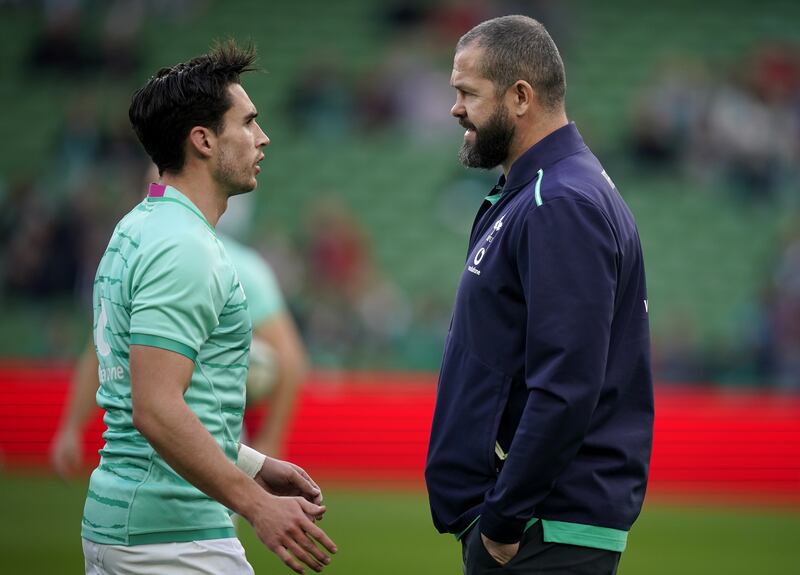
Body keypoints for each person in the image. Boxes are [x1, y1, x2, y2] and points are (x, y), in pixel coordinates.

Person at [76, 41, 336, 575]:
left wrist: (253, 463)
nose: (263, 138)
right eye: (248, 122)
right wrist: (256, 503)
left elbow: (145, 401)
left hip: (132, 528)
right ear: (203, 140)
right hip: (171, 541)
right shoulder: (183, 247)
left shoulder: (141, 226)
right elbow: (154, 407)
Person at [425, 16, 653, 575]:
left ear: (520, 96)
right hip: (536, 525)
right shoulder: (537, 194)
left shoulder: (562, 202)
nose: (456, 108)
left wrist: (502, 522)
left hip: (541, 530)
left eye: (467, 93)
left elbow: (567, 383)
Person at [51, 232, 309, 474]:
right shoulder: (130, 257)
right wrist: (70, 427)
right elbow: (101, 348)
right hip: (138, 440)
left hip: (210, 436)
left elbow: (289, 357)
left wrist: (271, 440)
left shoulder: (238, 265)